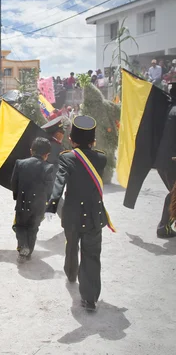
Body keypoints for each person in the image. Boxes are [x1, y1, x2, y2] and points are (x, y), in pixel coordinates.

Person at [46, 115, 114, 312]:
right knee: (91, 255)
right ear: (93, 141)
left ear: (71, 139)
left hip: (73, 214)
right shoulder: (101, 158)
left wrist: (52, 205)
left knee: (71, 246)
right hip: (94, 215)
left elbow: (59, 182)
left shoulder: (66, 158)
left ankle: (70, 273)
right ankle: (90, 298)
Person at [11, 137, 53, 261]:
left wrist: (16, 196)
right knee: (33, 228)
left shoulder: (20, 163)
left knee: (20, 226)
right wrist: (46, 202)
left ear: (31, 151)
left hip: (22, 202)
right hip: (39, 205)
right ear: (46, 155)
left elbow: (14, 183)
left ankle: (23, 247)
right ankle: (28, 253)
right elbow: (50, 188)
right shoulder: (48, 167)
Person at [155, 81, 176, 238]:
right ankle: (164, 227)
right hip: (171, 161)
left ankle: (165, 226)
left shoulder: (169, 109)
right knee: (174, 193)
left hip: (165, 160)